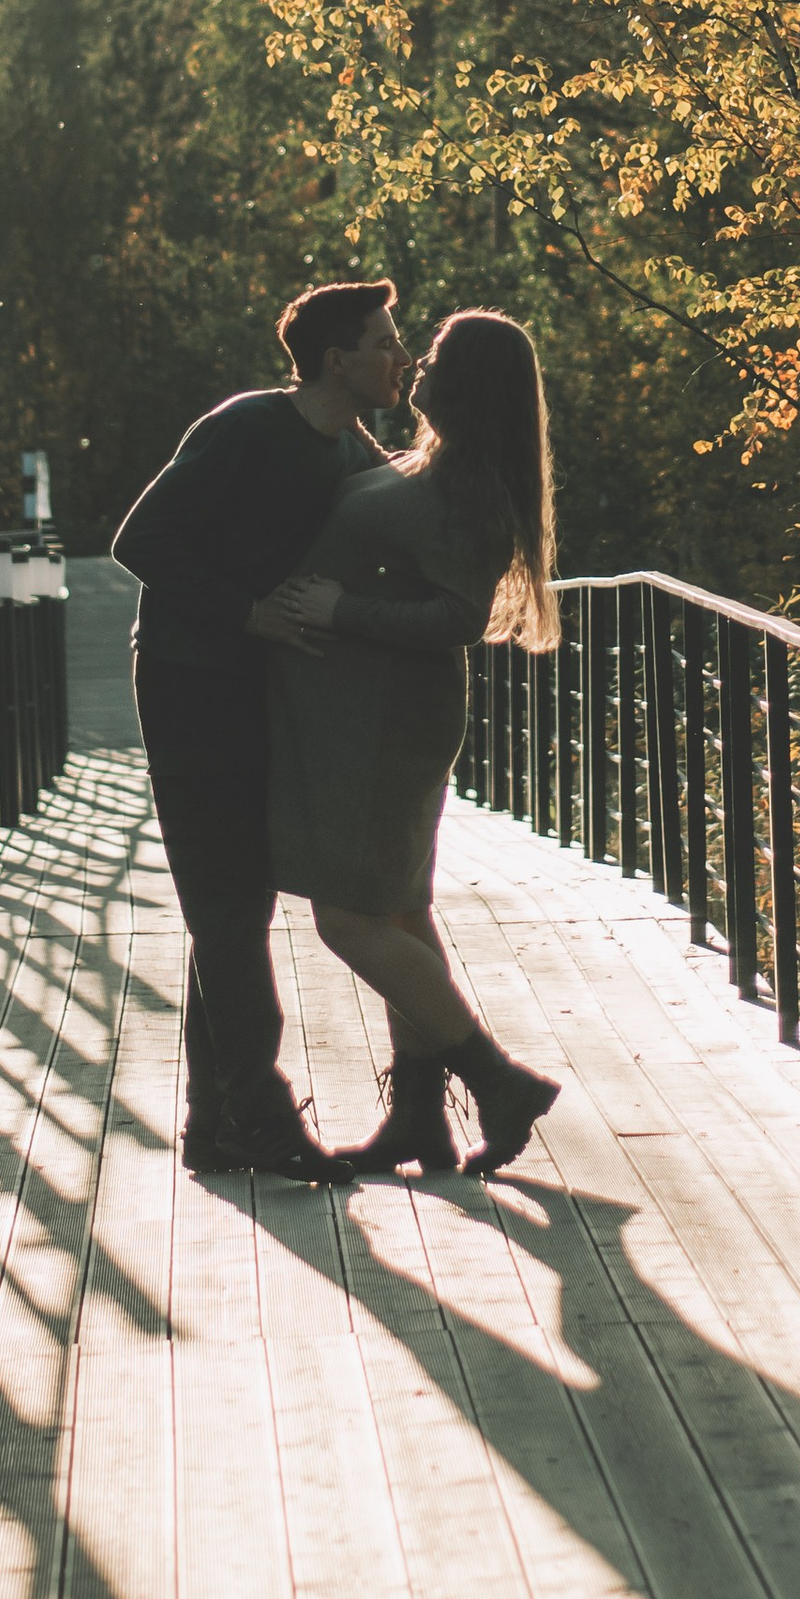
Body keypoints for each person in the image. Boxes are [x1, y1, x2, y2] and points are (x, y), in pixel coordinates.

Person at [255, 306, 562, 1178]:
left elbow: (459, 619)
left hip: (386, 727)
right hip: (360, 716)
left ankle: (495, 1079)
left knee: (347, 919)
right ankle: (419, 1120)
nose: (419, 366)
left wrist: (337, 610)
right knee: (398, 911)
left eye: (435, 356)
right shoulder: (424, 468)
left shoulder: (466, 494)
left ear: (466, 384)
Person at [109, 278, 406, 1181]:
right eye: (386, 342)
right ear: (334, 359)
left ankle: (215, 1122)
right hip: (190, 680)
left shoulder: (354, 457)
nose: (402, 358)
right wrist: (246, 614)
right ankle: (261, 1112)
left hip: (262, 695)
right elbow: (142, 541)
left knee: (235, 906)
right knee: (229, 905)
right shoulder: (245, 426)